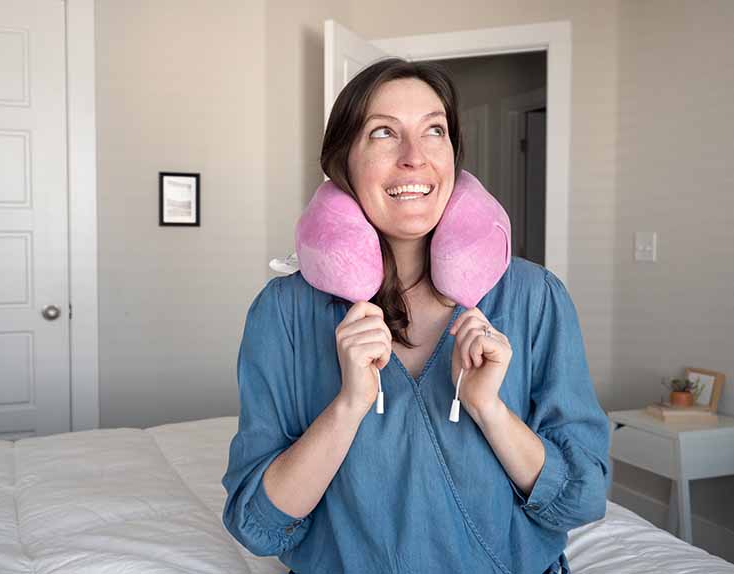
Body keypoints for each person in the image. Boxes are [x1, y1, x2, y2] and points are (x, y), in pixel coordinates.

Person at [222, 58, 610, 574]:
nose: (414, 158)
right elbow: (257, 524)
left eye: (434, 130)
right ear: (342, 163)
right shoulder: (284, 312)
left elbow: (582, 499)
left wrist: (490, 411)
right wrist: (347, 406)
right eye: (384, 132)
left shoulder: (535, 297)